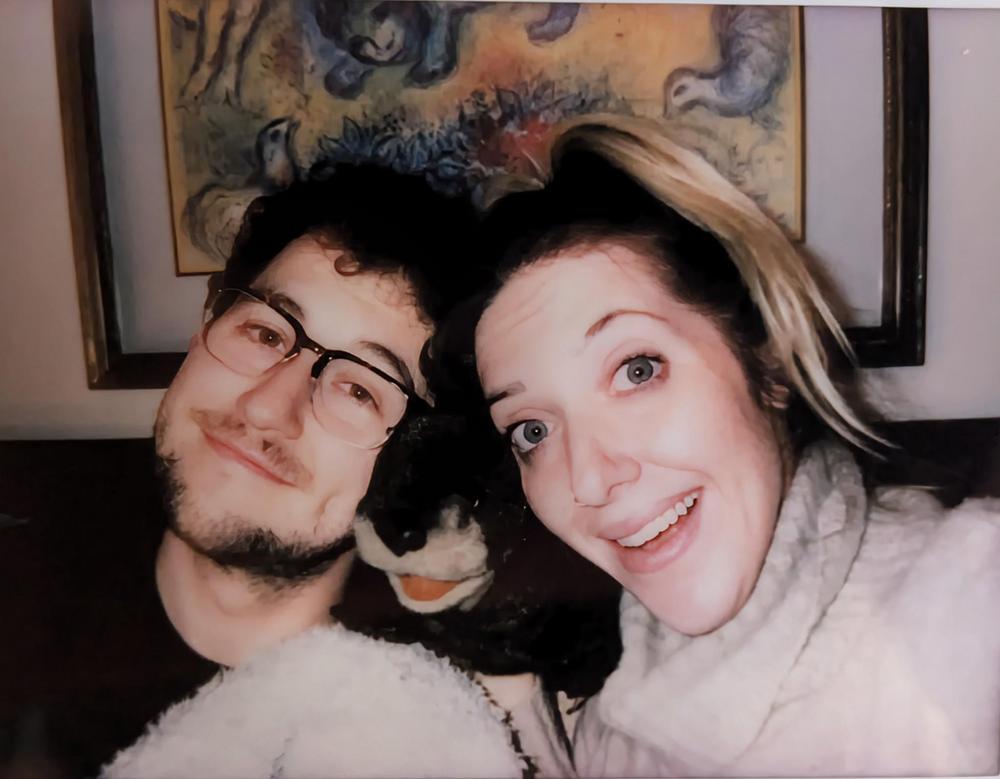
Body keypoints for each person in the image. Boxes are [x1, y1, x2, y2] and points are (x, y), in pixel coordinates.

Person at [473, 114, 1000, 776]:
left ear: (768, 362)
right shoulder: (612, 733)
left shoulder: (969, 608)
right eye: (533, 430)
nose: (589, 480)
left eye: (637, 369)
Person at [103, 166, 545, 777]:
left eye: (359, 390)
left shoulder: (440, 735)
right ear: (204, 328)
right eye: (265, 332)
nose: (265, 408)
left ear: (421, 461)